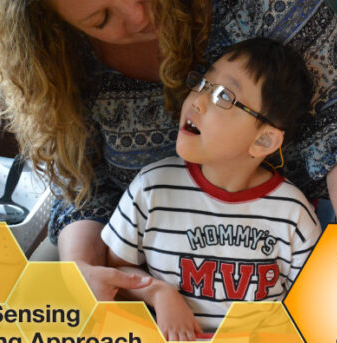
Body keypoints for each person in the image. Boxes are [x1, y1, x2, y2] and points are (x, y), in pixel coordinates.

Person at [0, 0, 337, 300]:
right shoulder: (61, 66)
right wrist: (87, 276)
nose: (138, 14)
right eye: (101, 18)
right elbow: (85, 189)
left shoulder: (292, 216)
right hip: (143, 250)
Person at [100, 37, 322, 340]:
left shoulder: (293, 215)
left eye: (223, 95)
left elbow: (311, 311)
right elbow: (116, 274)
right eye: (203, 83)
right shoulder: (151, 189)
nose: (196, 100)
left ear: (264, 141)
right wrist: (159, 294)